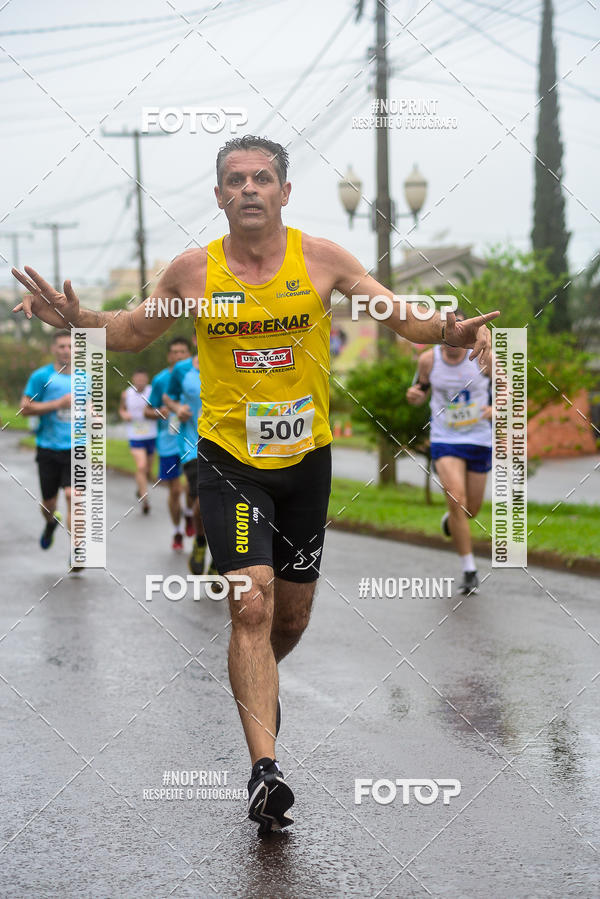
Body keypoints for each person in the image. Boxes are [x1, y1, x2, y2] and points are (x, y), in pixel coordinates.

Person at [12, 134, 499, 834]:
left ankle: (257, 687)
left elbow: (401, 316)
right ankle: (264, 771)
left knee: (289, 619)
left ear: (284, 192)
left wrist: (449, 327)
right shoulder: (192, 272)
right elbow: (132, 330)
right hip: (228, 459)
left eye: (262, 178)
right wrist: (79, 319)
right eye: (235, 180)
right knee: (250, 604)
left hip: (307, 461)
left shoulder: (322, 259)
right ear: (218, 196)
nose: (249, 188)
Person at [406, 309, 492, 595]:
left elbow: (509, 389)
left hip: (479, 438)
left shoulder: (485, 357)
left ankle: (451, 520)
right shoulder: (428, 360)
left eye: (458, 333)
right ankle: (470, 570)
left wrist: (496, 408)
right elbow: (420, 389)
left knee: (471, 510)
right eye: (447, 334)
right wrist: (415, 395)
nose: (451, 341)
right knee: (456, 498)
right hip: (445, 438)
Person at [20, 329, 78, 568]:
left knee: (73, 495)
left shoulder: (85, 378)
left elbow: (93, 408)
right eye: (62, 346)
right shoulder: (41, 376)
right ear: (54, 349)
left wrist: (93, 414)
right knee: (49, 504)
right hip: (48, 448)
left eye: (70, 346)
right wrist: (58, 404)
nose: (66, 350)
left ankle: (77, 551)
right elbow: (25, 408)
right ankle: (51, 522)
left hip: (76, 447)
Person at [164, 333, 208, 574]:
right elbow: (167, 397)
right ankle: (201, 542)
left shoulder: (229, 362)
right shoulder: (182, 369)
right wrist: (177, 408)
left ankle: (219, 559)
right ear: (196, 338)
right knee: (203, 499)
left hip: (227, 444)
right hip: (193, 445)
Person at [145, 336, 191, 552]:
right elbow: (147, 410)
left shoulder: (196, 375)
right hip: (168, 442)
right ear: (169, 356)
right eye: (175, 352)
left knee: (192, 486)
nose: (179, 356)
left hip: (192, 440)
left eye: (183, 352)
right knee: (175, 490)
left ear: (189, 354)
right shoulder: (160, 380)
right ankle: (177, 530)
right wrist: (158, 413)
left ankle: (189, 513)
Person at [119, 369, 157, 514]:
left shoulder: (152, 392)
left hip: (151, 434)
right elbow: (121, 410)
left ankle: (140, 488)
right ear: (133, 379)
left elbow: (159, 408)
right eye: (138, 379)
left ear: (147, 380)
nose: (140, 382)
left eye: (143, 379)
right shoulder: (126, 394)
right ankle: (145, 499)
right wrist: (124, 415)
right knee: (141, 466)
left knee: (147, 471)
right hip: (135, 435)